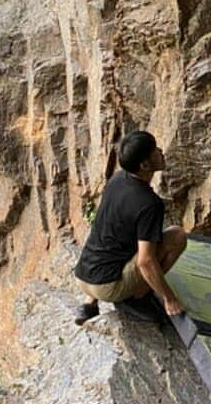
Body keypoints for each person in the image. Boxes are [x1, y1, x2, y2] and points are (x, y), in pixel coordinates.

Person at [73, 130, 187, 325]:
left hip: (83, 275)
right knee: (177, 236)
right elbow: (145, 261)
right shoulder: (149, 204)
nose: (160, 151)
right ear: (144, 165)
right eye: (154, 151)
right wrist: (170, 298)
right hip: (106, 287)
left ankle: (89, 304)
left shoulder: (117, 179)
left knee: (126, 237)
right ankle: (136, 297)